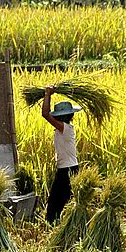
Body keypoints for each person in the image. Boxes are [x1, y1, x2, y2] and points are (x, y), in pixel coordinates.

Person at [41, 86, 82, 224]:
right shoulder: (63, 129)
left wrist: (47, 94)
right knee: (61, 200)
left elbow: (45, 114)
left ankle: (55, 225)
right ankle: (60, 225)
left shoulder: (65, 128)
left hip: (67, 170)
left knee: (55, 202)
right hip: (68, 168)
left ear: (61, 117)